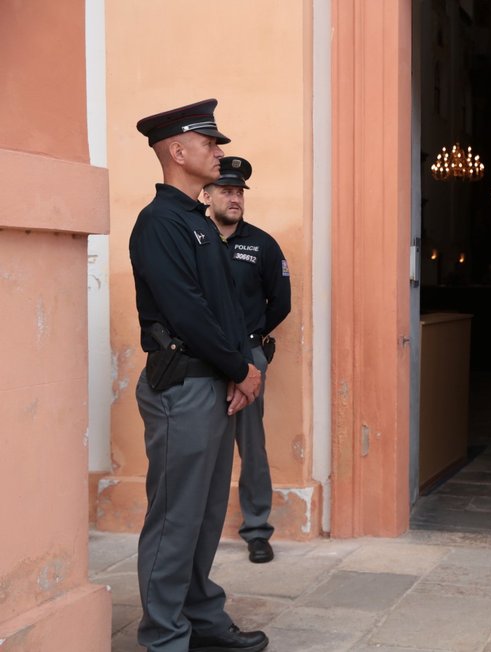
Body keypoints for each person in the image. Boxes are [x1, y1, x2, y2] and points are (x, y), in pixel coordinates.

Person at [130, 99, 269, 652]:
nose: (219, 151)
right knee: (174, 518)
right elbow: (187, 313)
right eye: (210, 143)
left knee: (207, 513)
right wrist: (241, 368)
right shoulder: (160, 222)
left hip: (213, 383)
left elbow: (226, 308)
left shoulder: (196, 221)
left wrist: (244, 369)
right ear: (177, 151)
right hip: (183, 384)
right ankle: (164, 637)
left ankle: (200, 615)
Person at [202, 156, 291, 565]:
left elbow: (281, 303)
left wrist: (252, 338)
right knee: (200, 440)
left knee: (251, 445)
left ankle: (257, 530)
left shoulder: (262, 245)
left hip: (249, 354)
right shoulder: (194, 238)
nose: (234, 198)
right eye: (226, 190)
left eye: (239, 192)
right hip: (200, 355)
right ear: (207, 194)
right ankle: (198, 528)